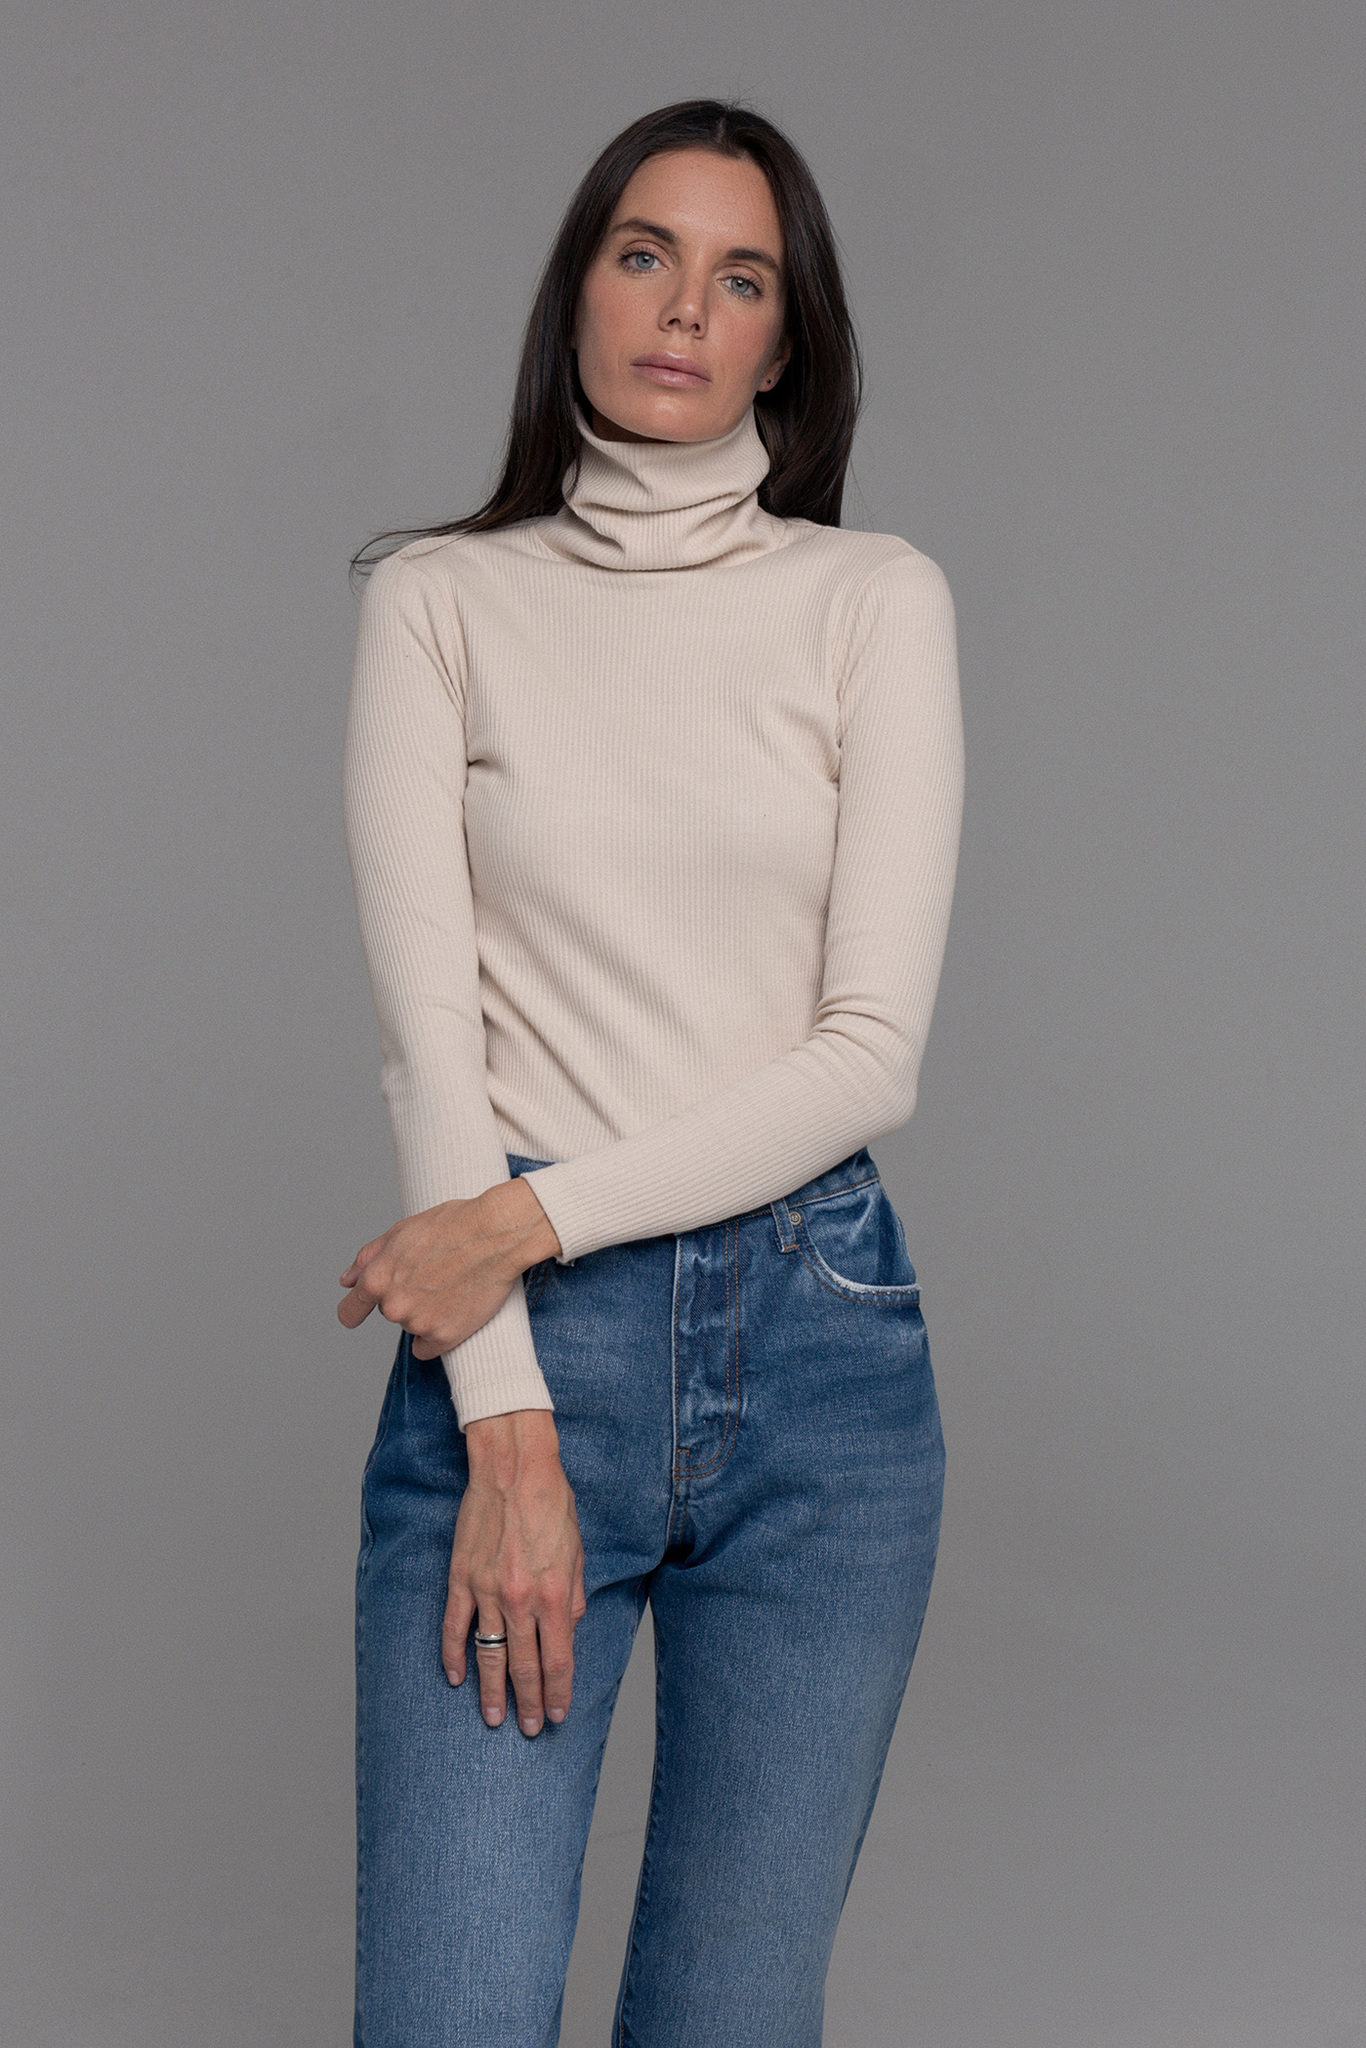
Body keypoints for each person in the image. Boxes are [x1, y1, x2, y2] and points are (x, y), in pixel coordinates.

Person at [338, 96, 964, 2048]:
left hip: (821, 1356)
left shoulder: (872, 601)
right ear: (579, 292)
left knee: (732, 2015)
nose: (684, 306)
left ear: (784, 340)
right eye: (644, 253)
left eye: (740, 276)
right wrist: (506, 1421)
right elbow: (431, 1039)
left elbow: (867, 1054)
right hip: (524, 1356)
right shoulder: (439, 599)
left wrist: (516, 1221)